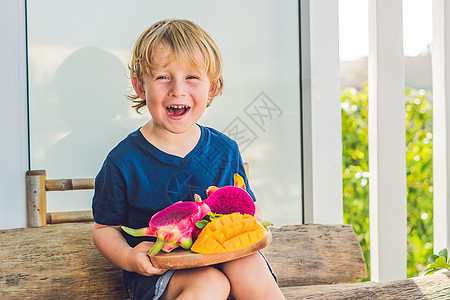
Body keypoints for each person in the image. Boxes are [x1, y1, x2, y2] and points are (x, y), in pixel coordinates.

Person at [92, 19, 285, 300]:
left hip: (224, 254)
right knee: (210, 284)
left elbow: (247, 210)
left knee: (248, 266)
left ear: (213, 87)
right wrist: (129, 257)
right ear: (140, 87)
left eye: (192, 77)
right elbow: (104, 229)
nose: (177, 90)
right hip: (162, 272)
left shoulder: (225, 149)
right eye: (162, 77)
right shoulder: (123, 161)